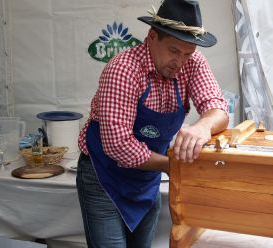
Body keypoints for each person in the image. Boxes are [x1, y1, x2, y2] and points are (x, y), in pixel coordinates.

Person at [76, 0, 229, 247]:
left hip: (146, 177)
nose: (179, 62)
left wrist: (203, 126)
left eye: (187, 53)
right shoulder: (123, 69)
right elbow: (118, 145)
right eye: (173, 50)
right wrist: (172, 165)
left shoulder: (192, 61)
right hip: (104, 176)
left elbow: (217, 107)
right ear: (152, 37)